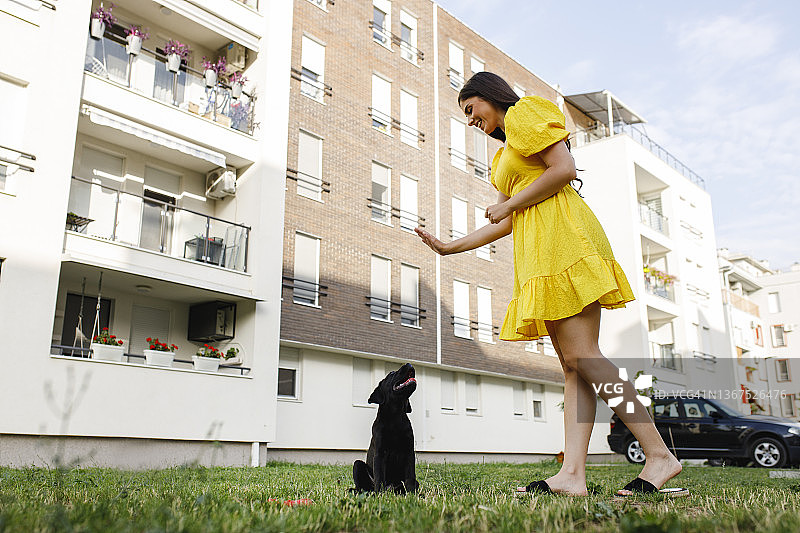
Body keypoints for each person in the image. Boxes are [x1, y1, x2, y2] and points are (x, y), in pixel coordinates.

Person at [414, 72, 686, 497]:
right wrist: (451, 247)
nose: (469, 120)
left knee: (585, 356)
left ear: (489, 96)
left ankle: (659, 455)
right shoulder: (505, 154)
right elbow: (509, 220)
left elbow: (563, 170)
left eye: (471, 109)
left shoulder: (526, 112)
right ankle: (572, 475)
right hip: (539, 251)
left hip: (565, 240)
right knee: (573, 365)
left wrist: (509, 203)